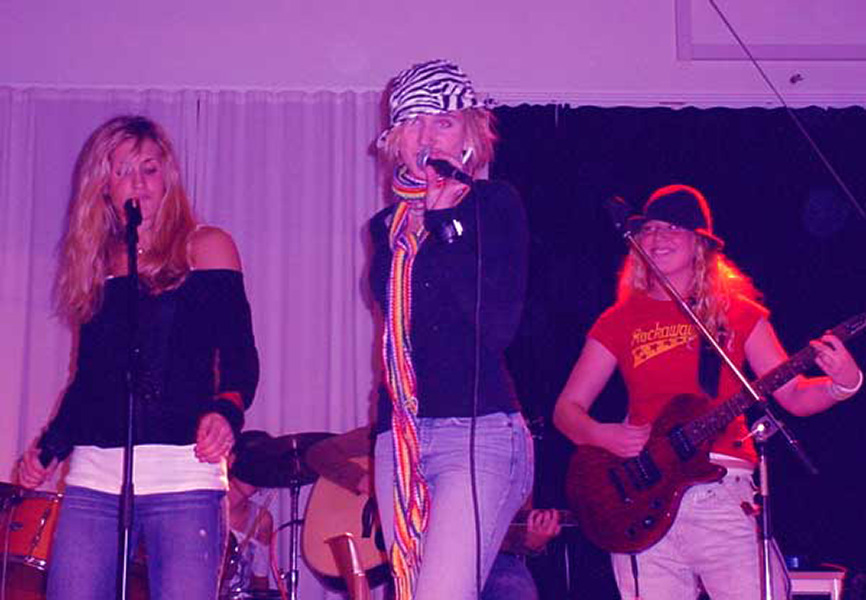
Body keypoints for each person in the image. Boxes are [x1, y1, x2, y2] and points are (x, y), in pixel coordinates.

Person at [553, 184, 862, 600]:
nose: (658, 237)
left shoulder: (738, 313)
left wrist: (843, 383)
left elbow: (793, 396)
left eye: (673, 228)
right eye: (650, 228)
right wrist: (603, 435)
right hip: (641, 495)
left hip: (721, 487)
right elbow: (567, 409)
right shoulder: (618, 320)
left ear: (700, 243)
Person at [15, 115, 260, 600]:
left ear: (167, 176)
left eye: (149, 169)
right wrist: (48, 448)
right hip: (96, 476)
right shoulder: (97, 264)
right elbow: (90, 380)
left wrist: (225, 412)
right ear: (103, 185)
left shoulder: (207, 247)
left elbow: (240, 356)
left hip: (184, 472)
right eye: (124, 170)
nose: (139, 183)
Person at [369, 59, 534, 600]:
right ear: (396, 140)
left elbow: (496, 324)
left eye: (442, 122)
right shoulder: (386, 229)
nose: (427, 137)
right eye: (414, 123)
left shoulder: (494, 205)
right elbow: (404, 339)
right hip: (401, 438)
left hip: (479, 431)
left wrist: (443, 226)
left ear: (471, 134)